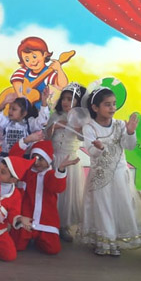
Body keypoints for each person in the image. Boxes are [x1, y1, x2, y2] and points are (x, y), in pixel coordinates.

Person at [79, 86, 141, 256]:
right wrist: (99, 148)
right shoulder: (90, 127)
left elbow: (129, 146)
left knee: (120, 205)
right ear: (95, 108)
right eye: (107, 104)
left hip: (119, 175)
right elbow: (91, 151)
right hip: (100, 176)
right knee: (103, 207)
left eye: (114, 104)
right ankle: (104, 241)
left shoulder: (120, 125)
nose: (112, 108)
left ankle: (115, 241)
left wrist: (130, 132)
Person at [9, 140, 79, 255]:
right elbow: (13, 159)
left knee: (53, 249)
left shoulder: (51, 175)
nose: (37, 162)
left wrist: (61, 169)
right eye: (34, 158)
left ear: (48, 159)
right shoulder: (26, 173)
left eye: (41, 159)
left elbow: (58, 187)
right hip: (26, 220)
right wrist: (26, 140)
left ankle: (39, 239)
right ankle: (29, 237)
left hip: (46, 221)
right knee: (17, 245)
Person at [44, 82, 87, 241]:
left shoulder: (81, 118)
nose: (65, 102)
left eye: (70, 99)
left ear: (78, 102)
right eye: (64, 98)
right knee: (53, 192)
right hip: (55, 158)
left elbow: (83, 138)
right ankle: (50, 222)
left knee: (67, 193)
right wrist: (55, 125)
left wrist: (74, 124)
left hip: (70, 161)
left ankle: (64, 225)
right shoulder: (55, 115)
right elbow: (46, 136)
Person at [0, 90, 49, 173]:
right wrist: (3, 103)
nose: (10, 111)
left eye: (14, 109)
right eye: (10, 108)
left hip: (22, 161)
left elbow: (42, 121)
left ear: (24, 113)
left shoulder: (29, 124)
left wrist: (44, 102)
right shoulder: (6, 122)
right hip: (5, 160)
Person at [10, 36, 68, 108]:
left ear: (45, 54)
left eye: (34, 57)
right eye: (27, 60)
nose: (32, 61)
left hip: (38, 109)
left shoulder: (48, 74)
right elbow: (16, 82)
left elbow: (63, 85)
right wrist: (21, 99)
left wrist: (59, 69)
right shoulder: (23, 71)